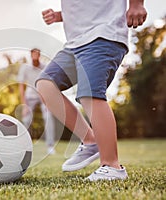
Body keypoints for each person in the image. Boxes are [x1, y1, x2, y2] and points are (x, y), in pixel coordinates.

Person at [36, 0, 147, 180]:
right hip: (74, 44)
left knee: (90, 94)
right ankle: (90, 141)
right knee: (45, 85)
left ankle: (112, 166)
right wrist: (59, 16)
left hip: (104, 35)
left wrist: (136, 4)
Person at [18, 48, 56, 155]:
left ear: (39, 56)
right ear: (31, 56)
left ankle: (50, 146)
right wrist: (24, 105)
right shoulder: (25, 68)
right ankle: (24, 147)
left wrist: (47, 101)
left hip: (42, 95)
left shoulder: (44, 67)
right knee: (26, 119)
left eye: (37, 55)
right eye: (34, 55)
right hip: (30, 96)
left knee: (48, 116)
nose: (35, 57)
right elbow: (21, 86)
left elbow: (47, 83)